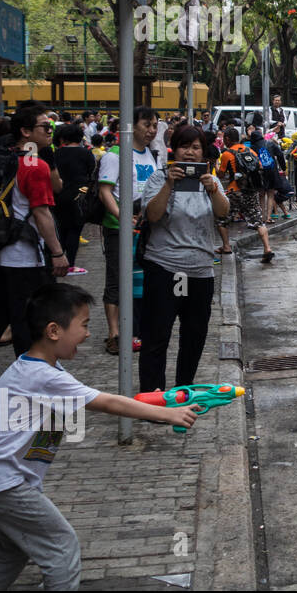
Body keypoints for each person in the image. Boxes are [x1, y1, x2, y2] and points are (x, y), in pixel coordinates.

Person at [0, 284, 200, 590]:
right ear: (54, 331)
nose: (87, 334)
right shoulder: (43, 377)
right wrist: (167, 414)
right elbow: (106, 402)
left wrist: (160, 401)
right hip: (7, 484)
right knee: (61, 548)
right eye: (83, 325)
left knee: (13, 550)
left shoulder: (32, 370)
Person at [138, 125, 229, 392]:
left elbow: (223, 213)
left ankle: (183, 391)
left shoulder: (210, 180)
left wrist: (213, 189)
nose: (190, 152)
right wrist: (169, 184)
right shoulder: (158, 178)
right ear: (174, 150)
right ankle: (153, 395)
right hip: (165, 268)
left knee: (194, 335)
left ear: (203, 153)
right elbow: (152, 216)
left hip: (200, 271)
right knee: (157, 334)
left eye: (196, 147)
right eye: (184, 146)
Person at [0, 107, 70, 360]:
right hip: (23, 255)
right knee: (26, 318)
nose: (50, 131)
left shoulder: (8, 157)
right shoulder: (34, 165)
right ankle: (30, 371)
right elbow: (41, 214)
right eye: (45, 127)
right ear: (26, 131)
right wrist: (58, 252)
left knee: (2, 311)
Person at [97, 107, 160, 355]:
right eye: (147, 124)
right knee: (116, 280)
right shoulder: (115, 154)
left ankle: (137, 328)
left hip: (145, 227)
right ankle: (114, 334)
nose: (151, 130)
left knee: (141, 278)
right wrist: (124, 219)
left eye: (154, 125)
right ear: (132, 125)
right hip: (118, 228)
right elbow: (105, 191)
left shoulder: (149, 155)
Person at [215, 125, 275, 264]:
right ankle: (267, 248)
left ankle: (226, 246)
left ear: (228, 139)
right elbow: (259, 166)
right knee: (258, 221)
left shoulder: (227, 154)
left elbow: (221, 174)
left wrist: (215, 166)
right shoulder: (250, 151)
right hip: (251, 191)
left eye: (224, 139)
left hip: (234, 191)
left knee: (221, 219)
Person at [52, 123, 94, 277]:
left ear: (62, 138)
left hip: (58, 195)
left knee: (61, 230)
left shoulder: (56, 154)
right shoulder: (86, 153)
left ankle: (58, 261)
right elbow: (91, 172)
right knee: (75, 231)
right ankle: (70, 264)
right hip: (79, 197)